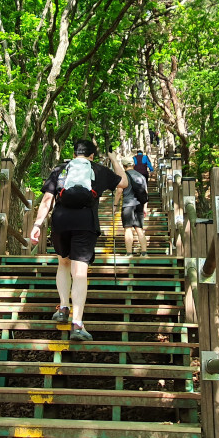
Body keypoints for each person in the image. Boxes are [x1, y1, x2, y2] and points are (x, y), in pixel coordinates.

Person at [29, 139, 127, 342]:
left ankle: (63, 307)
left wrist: (37, 224)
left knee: (63, 263)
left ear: (74, 154)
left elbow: (47, 199)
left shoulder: (61, 169)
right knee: (80, 272)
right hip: (86, 223)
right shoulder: (98, 170)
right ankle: (77, 324)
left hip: (61, 221)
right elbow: (124, 182)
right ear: (92, 155)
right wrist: (114, 159)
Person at [114, 157, 149, 255]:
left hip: (127, 205)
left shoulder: (123, 176)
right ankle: (144, 252)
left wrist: (115, 205)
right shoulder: (141, 176)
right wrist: (145, 207)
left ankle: (129, 253)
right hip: (139, 205)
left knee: (128, 229)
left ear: (124, 166)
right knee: (139, 229)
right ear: (133, 165)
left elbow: (119, 191)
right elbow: (145, 193)